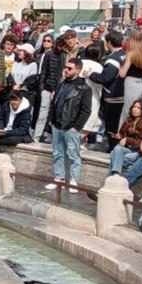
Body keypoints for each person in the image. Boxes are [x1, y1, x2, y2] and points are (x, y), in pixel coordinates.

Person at [45, 57, 92, 194]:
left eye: (69, 68)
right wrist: (52, 121)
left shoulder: (84, 88)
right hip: (57, 124)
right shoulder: (61, 84)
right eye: (65, 67)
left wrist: (76, 127)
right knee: (57, 153)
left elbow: (86, 110)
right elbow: (55, 103)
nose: (66, 70)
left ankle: (73, 180)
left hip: (70, 126)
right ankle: (58, 178)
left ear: (78, 70)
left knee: (73, 154)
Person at [108, 99, 142, 175]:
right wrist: (117, 136)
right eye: (134, 107)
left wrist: (128, 140)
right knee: (116, 151)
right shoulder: (128, 120)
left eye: (138, 108)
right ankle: (116, 174)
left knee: (114, 155)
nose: (135, 109)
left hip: (136, 151)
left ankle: (113, 175)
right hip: (126, 149)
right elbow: (122, 134)